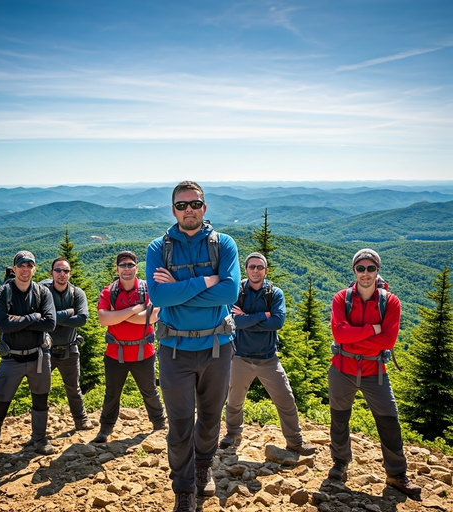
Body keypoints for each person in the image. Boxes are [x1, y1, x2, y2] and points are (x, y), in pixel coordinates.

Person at [146, 181, 241, 512]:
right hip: (174, 349)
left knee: (211, 417)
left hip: (218, 347)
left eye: (195, 204)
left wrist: (181, 288)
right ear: (173, 209)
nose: (189, 210)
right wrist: (206, 281)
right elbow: (159, 296)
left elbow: (230, 294)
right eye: (182, 205)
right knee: (181, 421)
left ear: (205, 207)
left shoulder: (224, 244)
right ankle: (184, 487)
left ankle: (203, 468)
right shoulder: (158, 248)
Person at [328, 248, 421, 496]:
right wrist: (373, 329)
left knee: (389, 419)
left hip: (374, 370)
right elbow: (339, 335)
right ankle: (339, 463)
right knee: (339, 418)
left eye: (370, 268)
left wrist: (355, 337)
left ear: (377, 270)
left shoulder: (390, 301)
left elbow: (388, 341)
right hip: (342, 368)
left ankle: (396, 474)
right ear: (354, 271)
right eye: (361, 268)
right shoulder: (341, 298)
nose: (365, 273)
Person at [219, 252, 316, 456]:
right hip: (240, 356)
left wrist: (247, 319)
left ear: (266, 270)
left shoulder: (275, 293)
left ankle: (295, 441)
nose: (256, 270)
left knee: (286, 399)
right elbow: (233, 321)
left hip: (269, 358)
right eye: (252, 267)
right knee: (234, 401)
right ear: (246, 269)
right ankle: (232, 433)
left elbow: (278, 323)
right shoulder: (237, 292)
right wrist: (263, 316)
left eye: (260, 267)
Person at [0, 250, 56, 471]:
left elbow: (50, 324)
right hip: (11, 359)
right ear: (14, 268)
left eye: (30, 266)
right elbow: (3, 326)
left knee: (40, 402)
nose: (25, 270)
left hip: (38, 356)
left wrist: (18, 320)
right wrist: (34, 317)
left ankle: (39, 441)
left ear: (34, 268)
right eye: (21, 266)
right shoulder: (1, 293)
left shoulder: (42, 292)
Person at [93, 250, 166, 443]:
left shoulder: (148, 288)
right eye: (123, 265)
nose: (127, 269)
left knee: (150, 391)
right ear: (117, 268)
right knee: (112, 394)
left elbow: (152, 317)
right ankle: (105, 429)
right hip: (115, 354)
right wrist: (135, 310)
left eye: (130, 265)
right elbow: (103, 319)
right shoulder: (109, 291)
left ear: (136, 267)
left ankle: (159, 424)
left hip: (144, 353)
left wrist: (117, 315)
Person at [40, 258, 92, 431]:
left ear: (70, 273)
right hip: (45, 349)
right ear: (51, 272)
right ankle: (38, 429)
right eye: (58, 270)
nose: (62, 274)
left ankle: (81, 420)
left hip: (69, 348)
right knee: (41, 389)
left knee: (73, 388)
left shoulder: (77, 293)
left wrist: (51, 319)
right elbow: (37, 316)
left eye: (66, 271)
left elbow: (82, 319)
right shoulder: (42, 290)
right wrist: (69, 313)